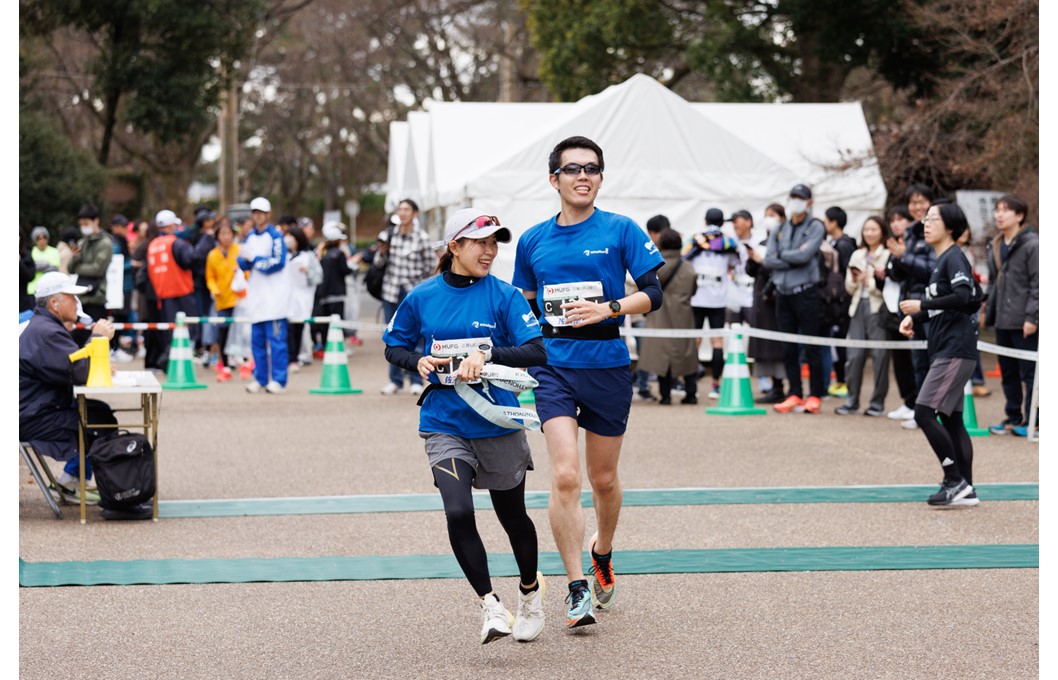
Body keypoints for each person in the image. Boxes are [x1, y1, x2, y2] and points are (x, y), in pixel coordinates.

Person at [512, 135, 664, 628]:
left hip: (608, 365)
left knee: (602, 479)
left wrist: (609, 307)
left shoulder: (620, 229)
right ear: (553, 178)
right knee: (564, 475)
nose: (584, 176)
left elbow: (654, 293)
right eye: (573, 168)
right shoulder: (533, 239)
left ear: (601, 177)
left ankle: (603, 550)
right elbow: (521, 305)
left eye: (593, 168)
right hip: (552, 367)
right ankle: (576, 585)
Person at [383, 208, 548, 644]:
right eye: (481, 243)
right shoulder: (422, 296)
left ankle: (530, 594)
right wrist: (416, 359)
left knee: (512, 517)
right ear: (454, 246)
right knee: (457, 510)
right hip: (443, 422)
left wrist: (488, 354)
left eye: (495, 243)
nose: (490, 251)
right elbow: (394, 346)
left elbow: (536, 350)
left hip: (498, 422)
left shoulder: (506, 296)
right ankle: (491, 606)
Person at [898, 201, 980, 507]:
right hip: (949, 347)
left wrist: (922, 307)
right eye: (926, 219)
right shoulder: (943, 260)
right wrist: (916, 316)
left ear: (951, 226)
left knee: (923, 412)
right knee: (952, 418)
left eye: (934, 218)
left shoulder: (954, 258)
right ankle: (966, 487)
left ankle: (954, 480)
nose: (926, 223)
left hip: (954, 350)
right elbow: (968, 297)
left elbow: (964, 295)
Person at [20, 272, 117, 504]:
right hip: (32, 417)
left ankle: (73, 481)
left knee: (97, 413)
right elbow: (81, 372)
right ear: (55, 303)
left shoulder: (41, 326)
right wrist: (97, 338)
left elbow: (74, 366)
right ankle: (107, 490)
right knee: (98, 420)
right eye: (71, 297)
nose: (77, 303)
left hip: (30, 411)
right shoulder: (47, 333)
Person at [764, 184, 826, 414]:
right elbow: (768, 259)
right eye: (793, 198)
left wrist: (782, 255)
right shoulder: (781, 228)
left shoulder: (815, 226)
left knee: (812, 346)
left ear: (810, 202)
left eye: (801, 198)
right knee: (788, 347)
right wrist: (787, 256)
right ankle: (795, 393)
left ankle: (816, 394)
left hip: (806, 292)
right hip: (783, 293)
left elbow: (805, 255)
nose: (796, 202)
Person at [985, 194, 1039, 436]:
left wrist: (1032, 318)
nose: (999, 214)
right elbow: (993, 284)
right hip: (1002, 318)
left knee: (1031, 373)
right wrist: (987, 307)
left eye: (1005, 210)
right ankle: (1013, 417)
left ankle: (1035, 421)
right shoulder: (996, 244)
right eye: (997, 210)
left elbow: (1039, 284)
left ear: (1019, 216)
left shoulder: (1032, 245)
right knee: (1008, 372)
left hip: (1024, 321)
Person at [887, 184, 937, 430]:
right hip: (910, 303)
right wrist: (897, 259)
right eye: (913, 203)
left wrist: (904, 257)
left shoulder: (934, 230)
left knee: (933, 360)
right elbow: (901, 274)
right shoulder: (910, 232)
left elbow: (933, 270)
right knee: (918, 361)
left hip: (930, 303)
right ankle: (921, 411)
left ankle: (932, 411)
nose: (917, 207)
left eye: (921, 201)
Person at [835, 216, 891, 416]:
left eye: (874, 229)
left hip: (878, 307)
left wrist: (870, 281)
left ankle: (877, 403)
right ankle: (852, 400)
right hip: (857, 306)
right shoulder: (857, 254)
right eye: (866, 229)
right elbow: (849, 288)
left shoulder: (887, 255)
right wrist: (855, 279)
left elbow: (889, 288)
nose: (869, 233)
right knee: (854, 355)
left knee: (880, 356)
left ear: (882, 231)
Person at [378, 199, 434, 396]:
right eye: (400, 209)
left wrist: (418, 283)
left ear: (415, 213)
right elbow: (378, 262)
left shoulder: (422, 237)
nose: (402, 213)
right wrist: (381, 253)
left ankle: (416, 379)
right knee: (393, 337)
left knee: (417, 337)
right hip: (391, 291)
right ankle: (395, 380)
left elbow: (431, 266)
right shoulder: (389, 234)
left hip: (413, 292)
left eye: (406, 209)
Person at [684, 208, 741, 399]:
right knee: (717, 343)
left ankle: (689, 386)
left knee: (695, 341)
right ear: (722, 222)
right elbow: (735, 263)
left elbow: (684, 261)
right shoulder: (727, 242)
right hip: (717, 299)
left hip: (696, 297)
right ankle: (715, 386)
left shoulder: (695, 240)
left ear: (705, 220)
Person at [638, 228, 698, 404]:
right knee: (687, 355)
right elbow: (693, 290)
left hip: (660, 315)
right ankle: (691, 394)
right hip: (684, 316)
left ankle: (665, 396)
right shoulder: (688, 267)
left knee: (662, 356)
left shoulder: (656, 265)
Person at [239, 196, 289, 394]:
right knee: (257, 342)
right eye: (255, 213)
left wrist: (254, 259)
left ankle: (279, 380)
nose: (258, 216)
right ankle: (260, 378)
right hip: (257, 298)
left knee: (277, 342)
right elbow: (246, 263)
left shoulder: (275, 236)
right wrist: (242, 259)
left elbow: (278, 262)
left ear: (268, 215)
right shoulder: (250, 236)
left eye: (261, 213)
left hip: (275, 300)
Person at [744, 203, 788, 402]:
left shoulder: (786, 242)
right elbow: (750, 270)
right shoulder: (762, 242)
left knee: (778, 344)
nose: (768, 218)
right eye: (766, 215)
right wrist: (753, 259)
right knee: (763, 344)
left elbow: (783, 267)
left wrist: (764, 262)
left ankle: (781, 386)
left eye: (772, 215)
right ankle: (771, 385)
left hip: (778, 298)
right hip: (761, 297)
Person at [146, 210, 199, 372]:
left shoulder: (152, 245)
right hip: (182, 292)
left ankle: (170, 362)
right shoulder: (176, 243)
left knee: (171, 332)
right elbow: (191, 259)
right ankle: (170, 362)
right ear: (171, 225)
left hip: (163, 295)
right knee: (187, 331)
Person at [882, 206, 919, 424]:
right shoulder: (893, 247)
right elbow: (893, 276)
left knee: (915, 360)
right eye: (892, 220)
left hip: (912, 308)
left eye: (900, 219)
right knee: (900, 360)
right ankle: (907, 400)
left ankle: (917, 403)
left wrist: (903, 256)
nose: (896, 224)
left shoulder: (914, 245)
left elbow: (913, 272)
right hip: (894, 308)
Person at [819, 206, 856, 398]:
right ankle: (840, 380)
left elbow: (848, 273)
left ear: (834, 222)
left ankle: (843, 381)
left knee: (842, 342)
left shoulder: (843, 245)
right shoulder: (834, 242)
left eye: (826, 221)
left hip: (842, 301)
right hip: (835, 301)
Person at [68, 204, 114, 345]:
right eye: (81, 224)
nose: (83, 226)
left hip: (96, 298)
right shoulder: (82, 242)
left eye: (86, 223)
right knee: (77, 337)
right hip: (80, 297)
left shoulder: (105, 243)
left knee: (96, 339)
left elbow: (97, 270)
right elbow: (70, 269)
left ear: (96, 221)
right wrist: (75, 258)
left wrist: (79, 267)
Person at [205, 217, 244, 381]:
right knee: (223, 330)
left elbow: (248, 272)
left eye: (228, 233)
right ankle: (225, 362)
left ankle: (244, 361)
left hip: (239, 298)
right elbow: (210, 277)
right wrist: (214, 289)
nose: (226, 237)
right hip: (222, 299)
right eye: (223, 234)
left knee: (242, 330)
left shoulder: (240, 250)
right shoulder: (213, 255)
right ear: (217, 236)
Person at [284, 225, 322, 373]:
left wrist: (308, 272)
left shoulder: (308, 256)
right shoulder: (284, 256)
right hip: (286, 298)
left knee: (298, 327)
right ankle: (290, 357)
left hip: (302, 297)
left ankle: (295, 357)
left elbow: (318, 276)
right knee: (288, 328)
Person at [28, 226, 61, 296]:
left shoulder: (54, 251)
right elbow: (29, 269)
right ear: (35, 240)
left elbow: (53, 269)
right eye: (38, 238)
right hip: (33, 290)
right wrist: (46, 264)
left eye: (44, 237)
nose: (42, 240)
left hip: (49, 289)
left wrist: (36, 266)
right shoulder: (30, 252)